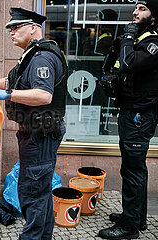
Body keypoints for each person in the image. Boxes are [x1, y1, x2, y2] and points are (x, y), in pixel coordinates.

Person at [0, 7, 67, 239]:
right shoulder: (32, 54)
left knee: (33, 193)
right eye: (9, 28)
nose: (11, 32)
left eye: (16, 27)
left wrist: (7, 95)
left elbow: (43, 95)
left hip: (41, 133)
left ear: (33, 28)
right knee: (38, 191)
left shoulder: (43, 57)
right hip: (36, 132)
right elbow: (13, 79)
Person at [98, 1, 158, 239]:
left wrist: (127, 39)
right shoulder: (139, 39)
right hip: (133, 111)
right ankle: (136, 218)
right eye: (135, 8)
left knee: (133, 169)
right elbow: (117, 65)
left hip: (139, 114)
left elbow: (129, 63)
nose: (135, 12)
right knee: (133, 167)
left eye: (142, 9)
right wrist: (118, 44)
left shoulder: (153, 42)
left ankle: (129, 227)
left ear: (153, 16)